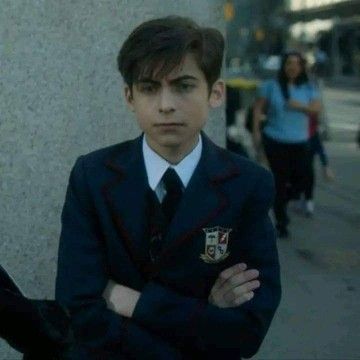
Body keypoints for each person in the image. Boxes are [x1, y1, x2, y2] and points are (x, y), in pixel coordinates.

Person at [55, 16, 281, 359]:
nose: (165, 105)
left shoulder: (248, 184)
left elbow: (246, 331)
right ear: (129, 97)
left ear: (215, 93)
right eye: (149, 87)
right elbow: (78, 307)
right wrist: (202, 313)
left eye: (183, 85)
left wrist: (133, 302)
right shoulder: (93, 175)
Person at [252, 51, 321, 238]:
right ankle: (282, 222)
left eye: (297, 64)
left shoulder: (309, 87)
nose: (292, 67)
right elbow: (258, 111)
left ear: (302, 67)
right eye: (289, 63)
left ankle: (285, 200)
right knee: (280, 181)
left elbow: (316, 109)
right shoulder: (271, 86)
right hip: (275, 140)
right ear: (283, 66)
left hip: (300, 141)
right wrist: (256, 135)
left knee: (302, 179)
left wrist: (299, 106)